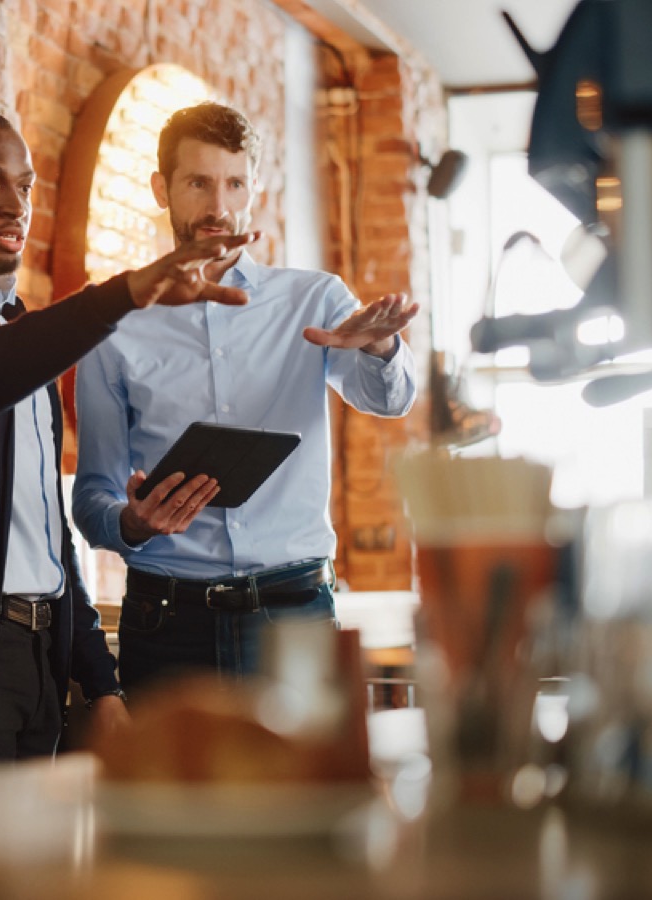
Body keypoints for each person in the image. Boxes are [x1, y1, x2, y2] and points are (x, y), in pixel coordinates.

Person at [0, 108, 257, 760]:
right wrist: (121, 295)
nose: (14, 206)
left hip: (36, 663)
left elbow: (43, 529)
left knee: (37, 863)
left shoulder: (12, 325)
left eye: (24, 187)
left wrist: (99, 677)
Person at [72, 103, 420, 691]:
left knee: (306, 787)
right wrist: (131, 522)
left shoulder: (314, 299)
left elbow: (391, 401)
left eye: (235, 183)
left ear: (253, 187)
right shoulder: (117, 320)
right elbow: (92, 498)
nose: (219, 206)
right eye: (199, 183)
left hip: (294, 616)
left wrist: (381, 347)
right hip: (167, 624)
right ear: (162, 189)